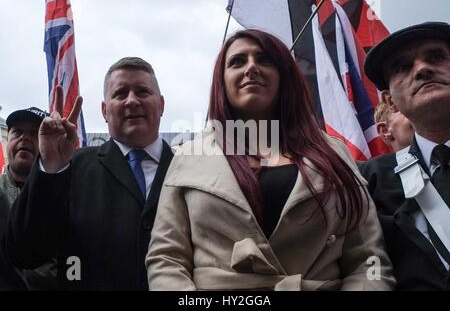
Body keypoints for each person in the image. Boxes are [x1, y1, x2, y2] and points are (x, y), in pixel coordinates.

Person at [146, 29, 395, 291]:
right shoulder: (187, 157)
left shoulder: (335, 153)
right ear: (222, 81)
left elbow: (369, 260)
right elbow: (167, 259)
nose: (251, 67)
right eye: (238, 61)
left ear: (284, 75)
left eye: (264, 60)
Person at [3, 57, 173, 290]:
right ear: (104, 110)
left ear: (161, 105)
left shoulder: (189, 170)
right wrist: (50, 170)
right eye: (120, 93)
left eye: (142, 91)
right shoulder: (70, 167)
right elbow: (24, 252)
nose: (132, 101)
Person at [360, 22, 450, 290]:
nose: (422, 69)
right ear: (390, 102)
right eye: (402, 67)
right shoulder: (369, 180)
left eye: (436, 56)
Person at [0, 107, 57, 291]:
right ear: (7, 139)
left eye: (34, 133)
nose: (25, 138)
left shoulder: (64, 194)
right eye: (17, 132)